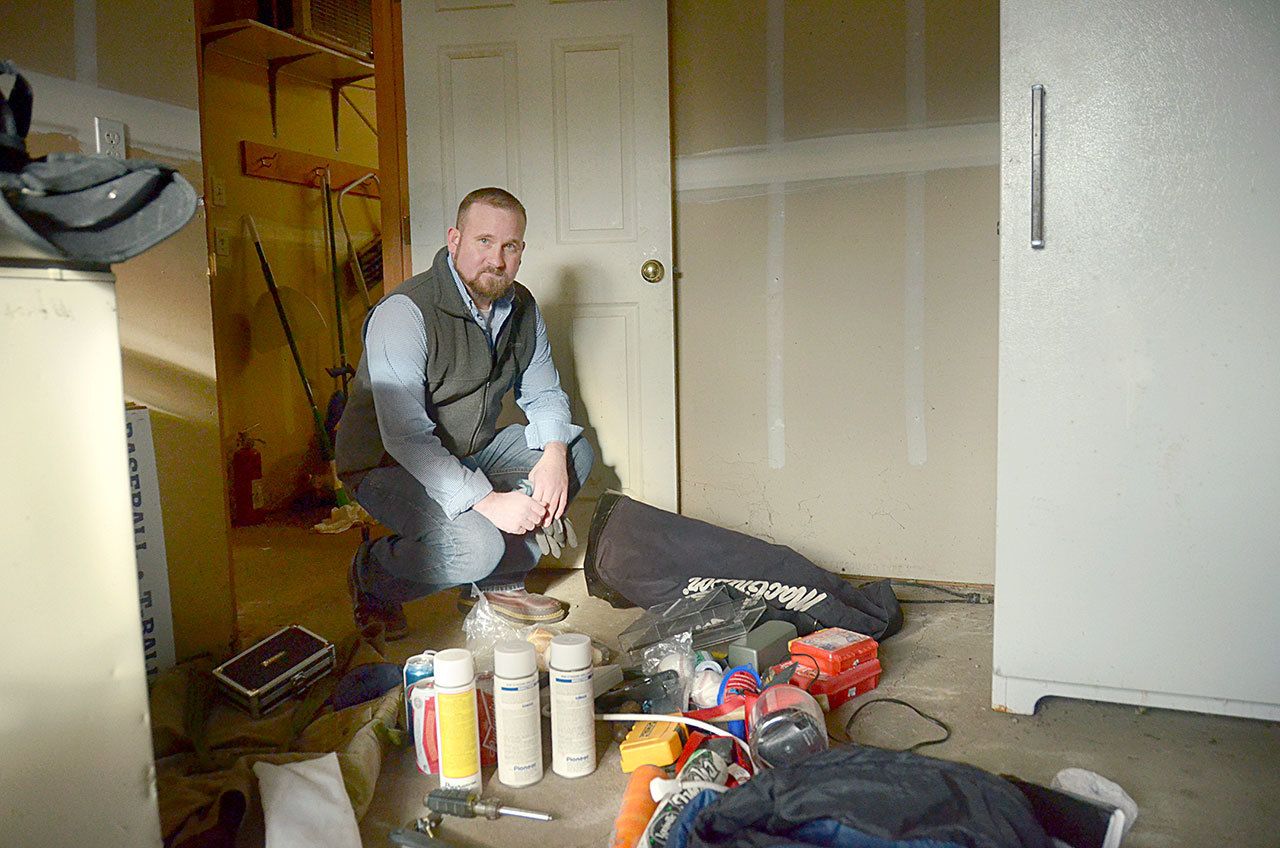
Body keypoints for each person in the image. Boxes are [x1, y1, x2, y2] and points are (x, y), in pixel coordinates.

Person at [335, 187, 594, 639]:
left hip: (469, 450)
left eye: (509, 246)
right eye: (484, 241)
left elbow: (545, 393)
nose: (497, 259)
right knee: (473, 545)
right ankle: (372, 576)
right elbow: (407, 437)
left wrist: (553, 458)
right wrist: (489, 502)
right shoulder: (403, 312)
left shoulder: (523, 308)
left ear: (521, 251)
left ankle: (497, 582)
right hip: (389, 464)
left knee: (575, 452)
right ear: (454, 240)